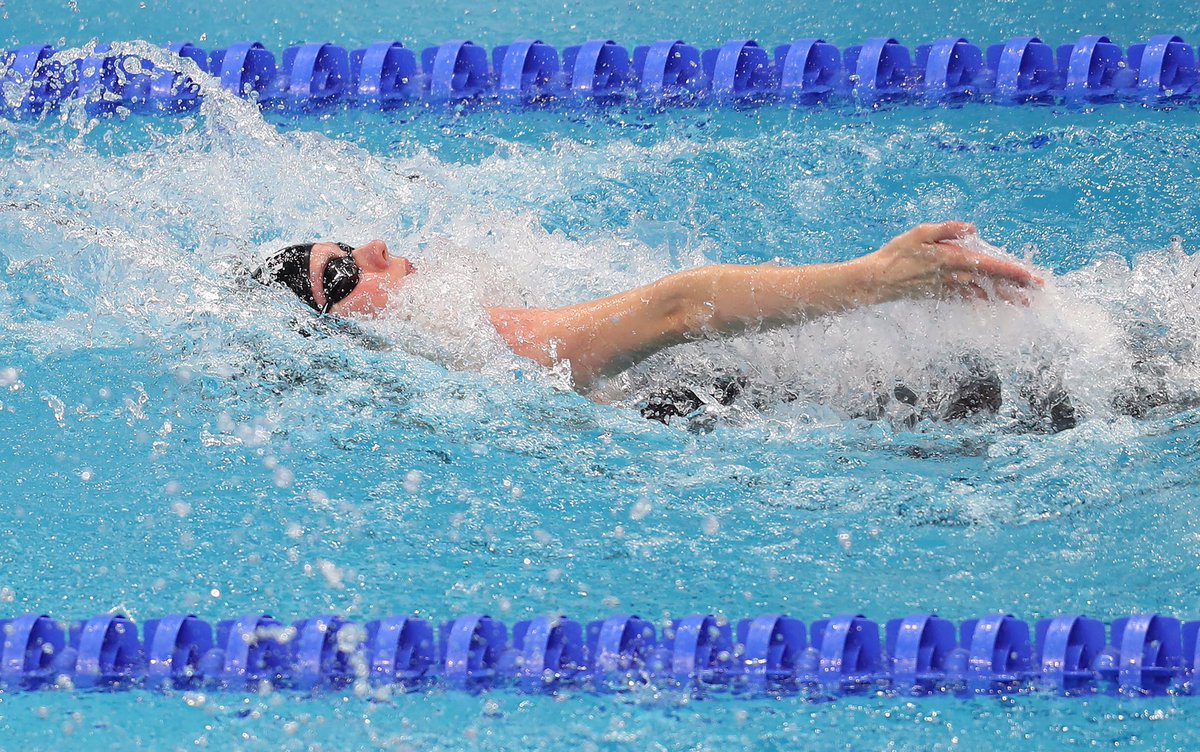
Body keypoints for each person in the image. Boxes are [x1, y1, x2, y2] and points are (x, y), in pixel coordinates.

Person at [253, 221, 1043, 396]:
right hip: (892, 408)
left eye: (350, 242)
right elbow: (676, 307)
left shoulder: (446, 364)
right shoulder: (484, 346)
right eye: (348, 271)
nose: (379, 248)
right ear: (348, 325)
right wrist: (876, 276)